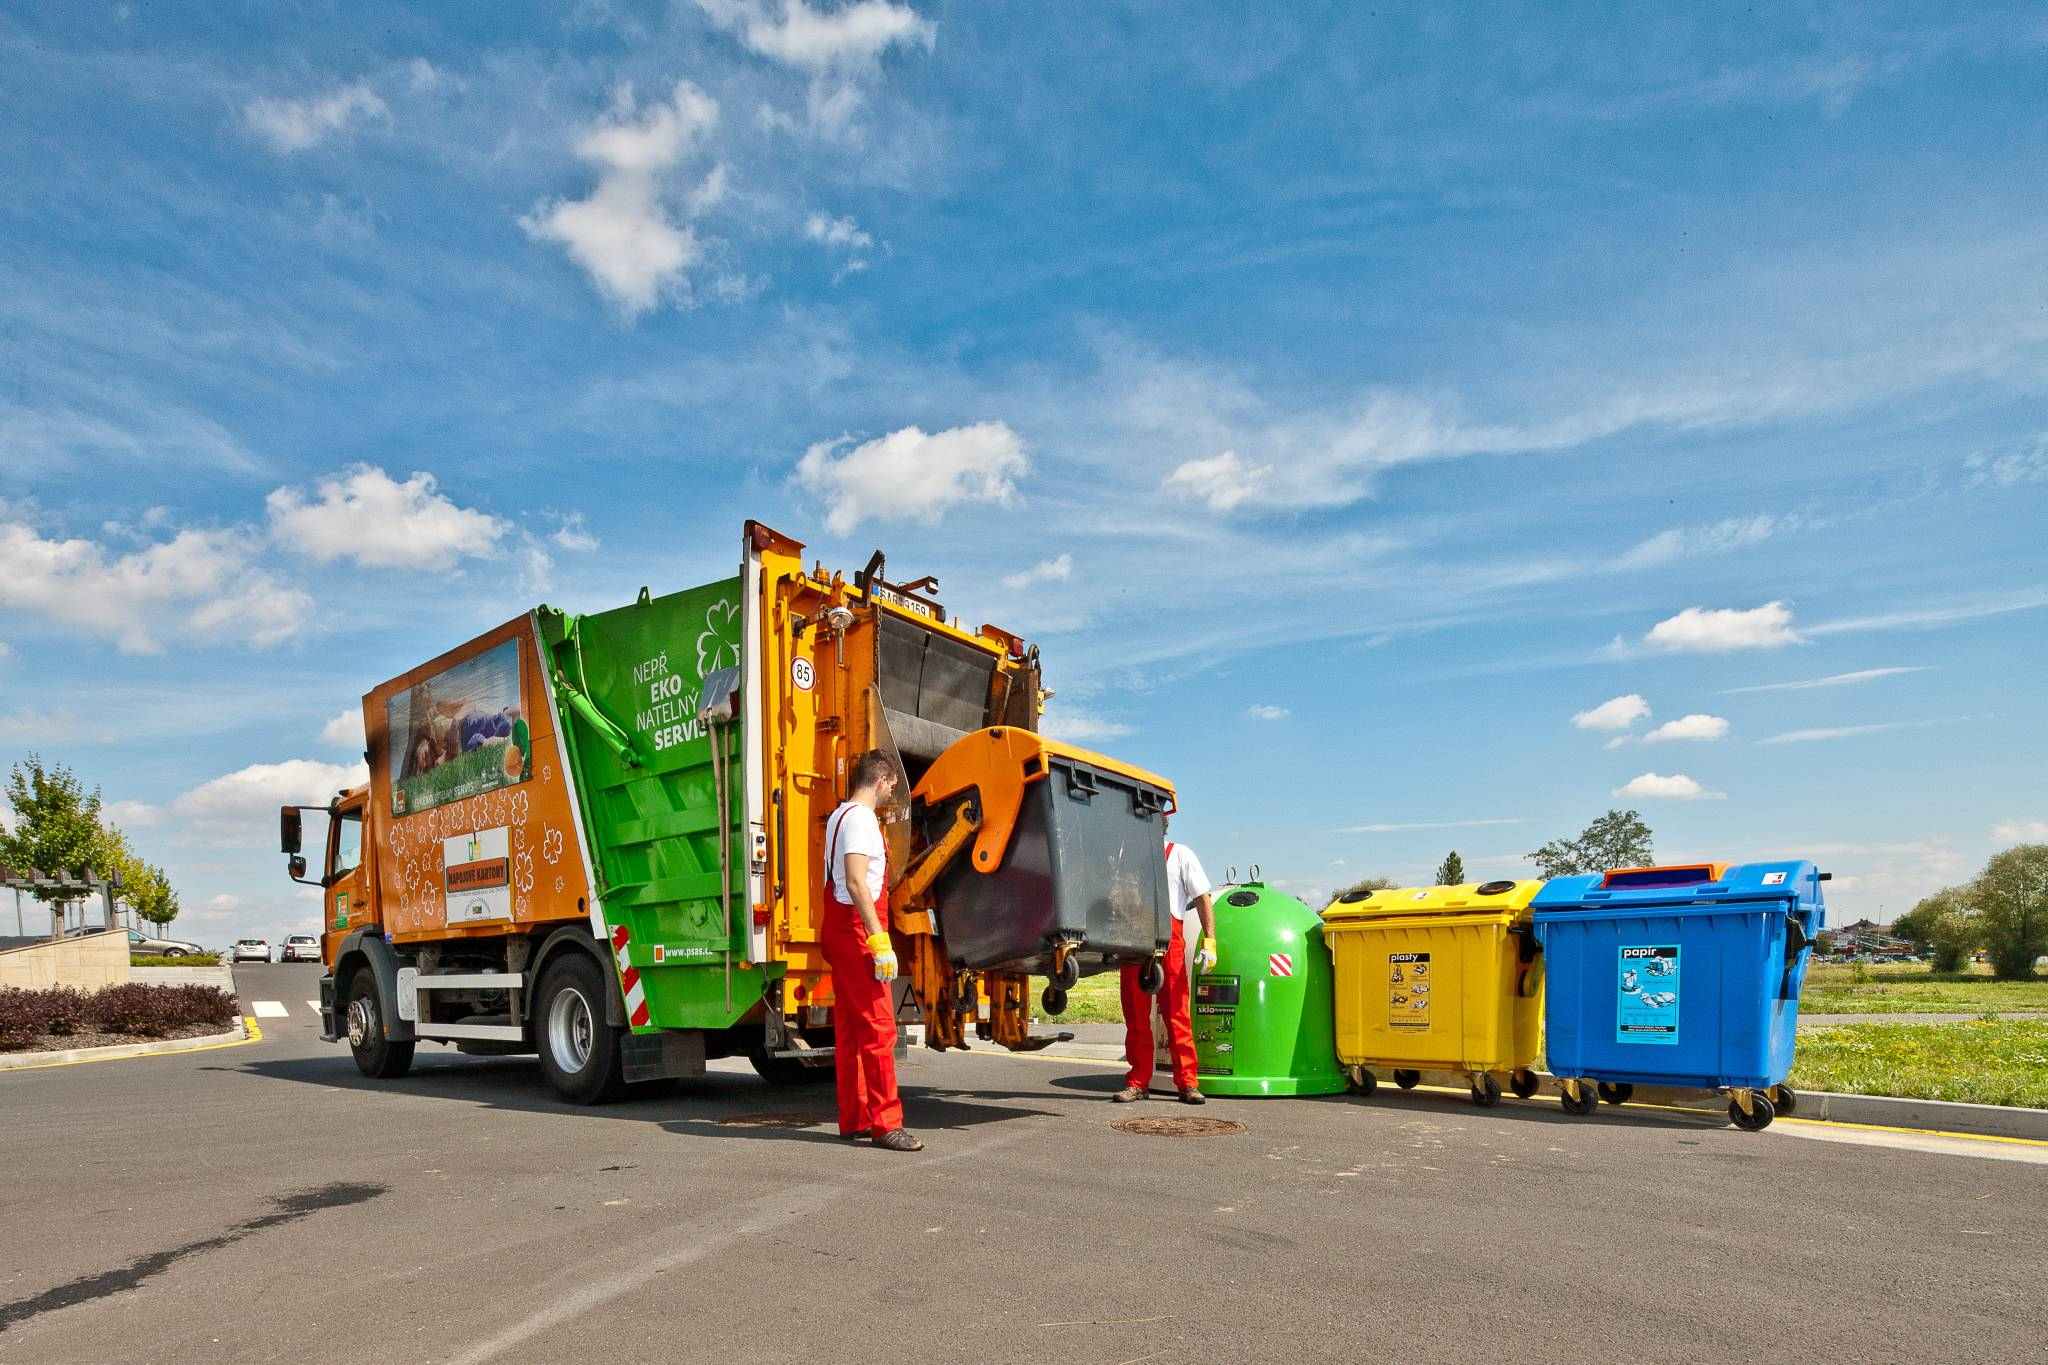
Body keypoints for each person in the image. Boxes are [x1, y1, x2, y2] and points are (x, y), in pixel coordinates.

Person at [820, 750, 922, 1152]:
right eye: (893, 785)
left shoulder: (838, 816)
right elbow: (858, 881)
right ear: (880, 780)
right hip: (858, 929)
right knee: (880, 1029)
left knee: (850, 1029)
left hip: (839, 928)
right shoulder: (861, 820)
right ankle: (886, 1124)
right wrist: (880, 939)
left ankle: (855, 1116)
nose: (892, 792)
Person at [1116, 815, 1216, 1105]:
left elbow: (1202, 897)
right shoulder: (1126, 859)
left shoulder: (1181, 855)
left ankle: (1187, 1083)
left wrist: (1210, 939)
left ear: (1160, 826)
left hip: (1169, 944)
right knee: (1136, 1016)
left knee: (1177, 1015)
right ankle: (1137, 1082)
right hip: (1133, 943)